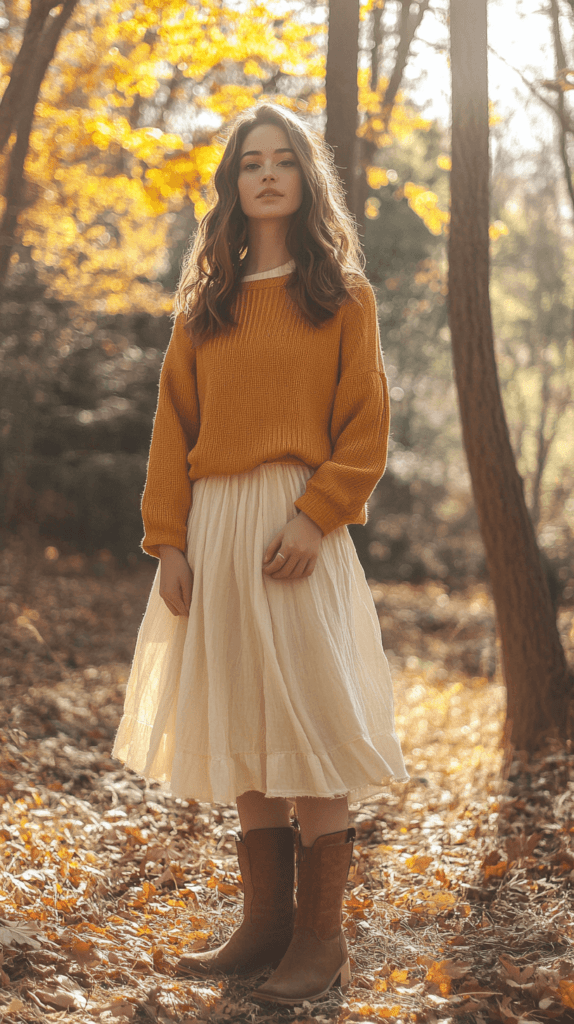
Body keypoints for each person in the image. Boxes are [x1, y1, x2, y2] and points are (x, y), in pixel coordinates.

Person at [112, 100, 408, 1006]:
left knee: (312, 728)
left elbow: (365, 424)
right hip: (214, 529)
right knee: (248, 726)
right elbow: (173, 428)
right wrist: (169, 541)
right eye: (252, 162)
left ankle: (322, 942)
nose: (269, 173)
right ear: (234, 185)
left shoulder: (341, 296)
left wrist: (316, 517)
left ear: (305, 179)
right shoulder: (207, 302)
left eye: (284, 160)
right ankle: (265, 927)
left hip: (296, 535)